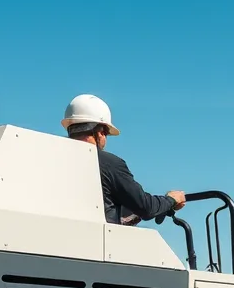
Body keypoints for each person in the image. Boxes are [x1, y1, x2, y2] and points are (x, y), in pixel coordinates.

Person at [61, 94, 185, 226]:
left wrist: (159, 206)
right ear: (100, 132)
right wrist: (171, 200)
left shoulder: (55, 160)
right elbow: (146, 207)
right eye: (106, 134)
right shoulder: (109, 163)